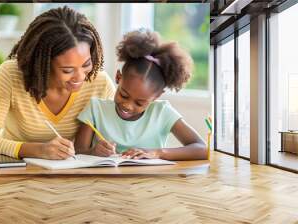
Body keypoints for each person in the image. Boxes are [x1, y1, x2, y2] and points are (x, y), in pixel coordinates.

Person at [0, 6, 115, 159]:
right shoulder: (11, 75)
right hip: (17, 170)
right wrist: (38, 150)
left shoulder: (100, 82)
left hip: (69, 170)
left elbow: (118, 137)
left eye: (86, 64)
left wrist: (99, 149)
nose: (80, 77)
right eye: (67, 70)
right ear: (42, 63)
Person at [75, 29, 207, 160]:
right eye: (124, 95)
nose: (127, 105)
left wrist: (158, 153)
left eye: (139, 103)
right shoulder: (95, 109)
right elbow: (79, 151)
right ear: (118, 77)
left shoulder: (162, 112)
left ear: (157, 96)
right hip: (100, 180)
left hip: (149, 181)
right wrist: (93, 151)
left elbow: (202, 149)